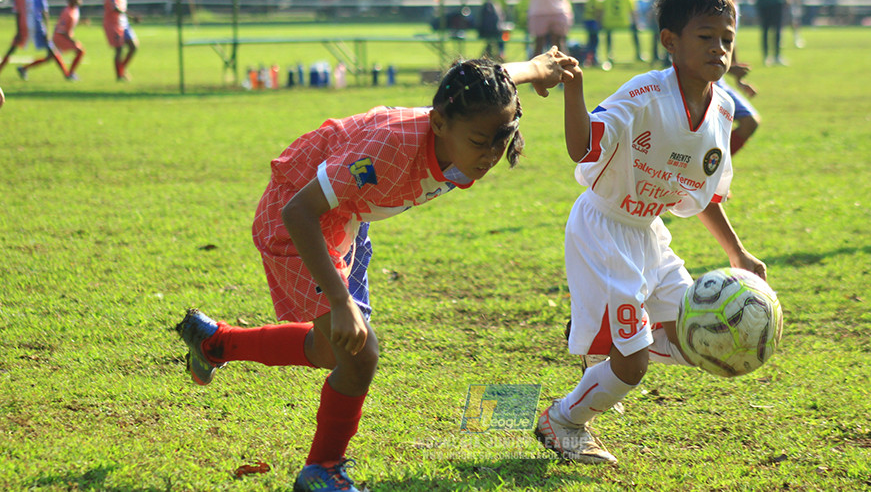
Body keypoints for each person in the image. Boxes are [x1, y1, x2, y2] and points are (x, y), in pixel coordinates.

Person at [176, 49, 578, 492]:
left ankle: (215, 342)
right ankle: (321, 471)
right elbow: (298, 211)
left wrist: (537, 69)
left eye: (502, 138)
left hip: (347, 215)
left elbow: (494, 83)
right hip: (298, 216)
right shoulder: (389, 152)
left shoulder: (471, 108)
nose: (491, 154)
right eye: (480, 141)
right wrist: (339, 300)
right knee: (359, 354)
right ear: (439, 124)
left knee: (331, 352)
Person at [535, 0, 766, 465]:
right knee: (633, 366)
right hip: (602, 229)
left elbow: (701, 193)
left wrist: (737, 252)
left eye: (727, 38)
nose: (719, 48)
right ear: (670, 41)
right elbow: (581, 148)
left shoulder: (723, 108)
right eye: (706, 37)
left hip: (649, 234)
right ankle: (563, 420)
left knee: (695, 334)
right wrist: (574, 90)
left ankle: (606, 334)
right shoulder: (644, 93)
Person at [705, 0, 761, 155]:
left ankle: (712, 167)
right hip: (702, 80)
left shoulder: (732, 5)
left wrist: (738, 77)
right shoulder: (708, 8)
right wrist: (730, 69)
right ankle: (708, 168)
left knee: (749, 122)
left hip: (718, 80)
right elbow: (703, 49)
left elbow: (729, 43)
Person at [0, 0, 69, 80]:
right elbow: (17, 14)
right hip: (24, 30)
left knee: (52, 51)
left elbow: (45, 14)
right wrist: (18, 31)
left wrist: (48, 32)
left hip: (38, 29)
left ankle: (67, 74)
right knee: (11, 50)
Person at [17, 0, 83, 81]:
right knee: (80, 51)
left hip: (63, 37)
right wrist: (71, 40)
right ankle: (70, 74)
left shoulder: (75, 10)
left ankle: (23, 68)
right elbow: (61, 29)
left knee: (49, 58)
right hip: (60, 37)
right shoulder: (67, 12)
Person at [104, 0, 139, 81]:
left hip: (124, 23)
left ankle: (122, 69)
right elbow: (116, 9)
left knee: (134, 46)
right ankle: (119, 75)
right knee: (119, 49)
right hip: (113, 25)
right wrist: (132, 16)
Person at [602, 0, 641, 64]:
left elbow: (603, 9)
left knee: (608, 34)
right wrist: (636, 23)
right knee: (635, 30)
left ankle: (609, 54)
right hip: (624, 23)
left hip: (609, 23)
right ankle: (638, 53)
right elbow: (633, 11)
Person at [581, 0, 604, 67]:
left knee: (592, 41)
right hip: (592, 21)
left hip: (588, 20)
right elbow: (596, 10)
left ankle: (589, 59)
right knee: (593, 41)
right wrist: (599, 21)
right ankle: (591, 59)